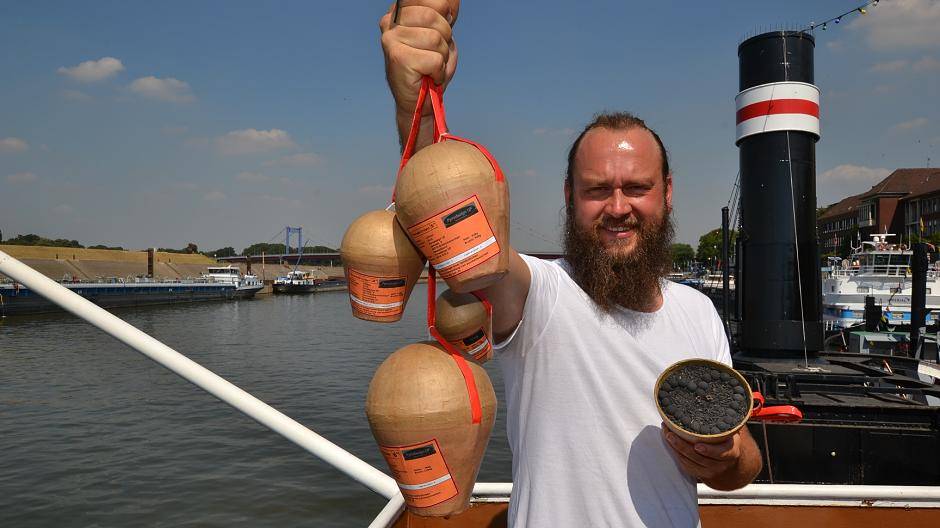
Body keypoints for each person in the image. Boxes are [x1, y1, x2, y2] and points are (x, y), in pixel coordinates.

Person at [379, 2, 763, 526]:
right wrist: (418, 108)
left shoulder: (699, 311)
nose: (619, 207)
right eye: (597, 190)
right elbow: (448, 216)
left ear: (667, 193)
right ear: (569, 197)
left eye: (638, 188)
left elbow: (742, 460)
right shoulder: (536, 297)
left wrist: (727, 457)